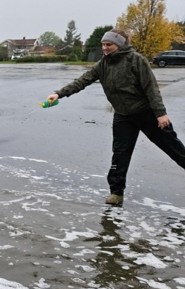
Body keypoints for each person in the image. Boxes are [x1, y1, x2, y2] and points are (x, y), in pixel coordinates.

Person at [46, 29, 185, 206]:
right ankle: (116, 193)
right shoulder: (103, 64)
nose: (104, 48)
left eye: (109, 44)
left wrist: (161, 113)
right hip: (123, 115)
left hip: (147, 113)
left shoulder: (136, 60)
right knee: (120, 154)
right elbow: (82, 81)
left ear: (119, 45)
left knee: (173, 148)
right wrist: (59, 94)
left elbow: (151, 88)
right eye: (103, 44)